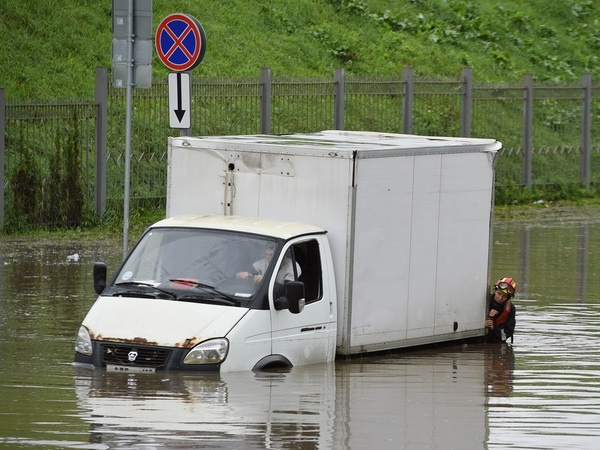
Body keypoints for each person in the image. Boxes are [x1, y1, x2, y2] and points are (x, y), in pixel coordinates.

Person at [236, 245, 301, 285]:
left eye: (270, 255)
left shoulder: (292, 267)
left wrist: (266, 281)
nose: (267, 257)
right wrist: (240, 275)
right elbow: (249, 272)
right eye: (266, 254)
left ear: (280, 255)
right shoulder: (264, 262)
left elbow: (287, 291)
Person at [485, 277, 517, 343]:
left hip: (495, 342)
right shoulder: (484, 301)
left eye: (504, 296)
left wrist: (493, 328)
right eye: (499, 293)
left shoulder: (510, 309)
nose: (500, 298)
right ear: (495, 290)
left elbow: (507, 334)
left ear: (508, 298)